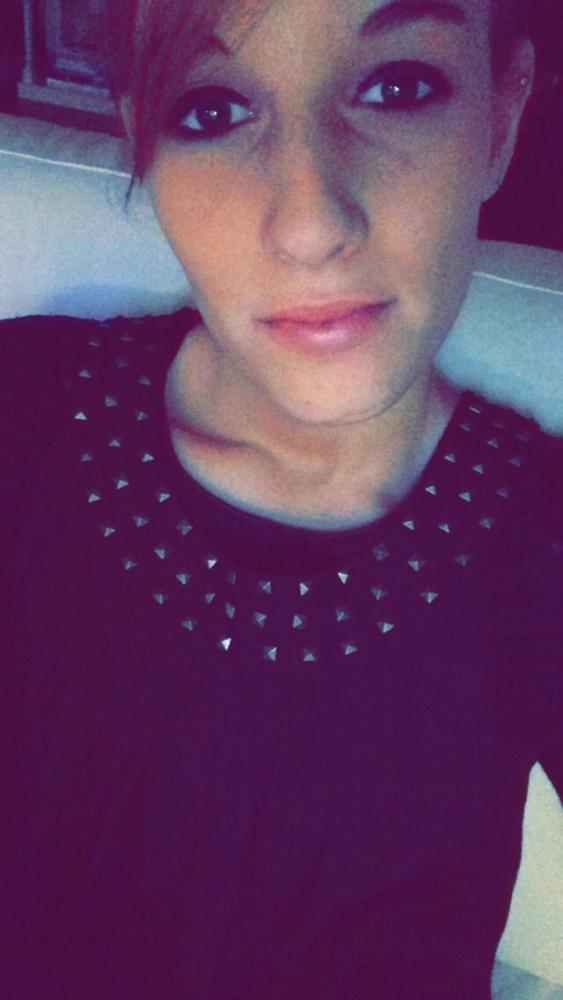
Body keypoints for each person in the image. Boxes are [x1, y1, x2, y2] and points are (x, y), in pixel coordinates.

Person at [1, 1, 562, 997]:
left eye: (398, 87)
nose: (310, 224)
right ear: (144, 146)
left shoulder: (540, 542)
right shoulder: (22, 413)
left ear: (501, 117)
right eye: (212, 110)